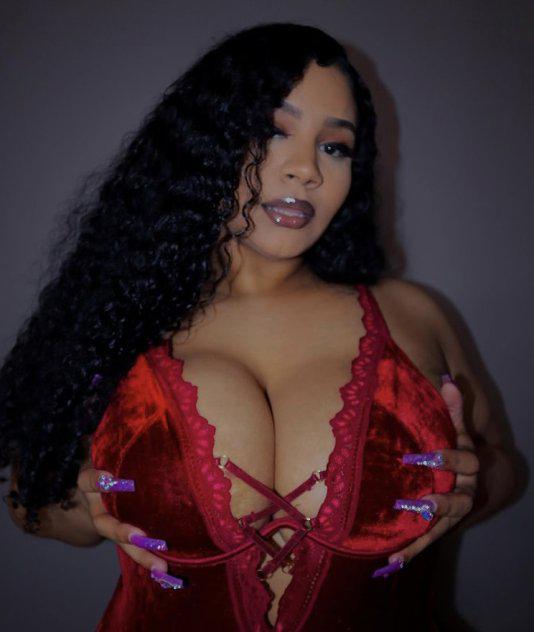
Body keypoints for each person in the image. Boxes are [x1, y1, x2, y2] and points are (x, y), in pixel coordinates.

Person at [1, 22, 513, 631]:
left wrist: (474, 485)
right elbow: (29, 507)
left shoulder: (415, 316)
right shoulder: (117, 316)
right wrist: (81, 507)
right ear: (206, 143)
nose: (306, 170)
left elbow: (503, 465)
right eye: (273, 131)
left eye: (335, 147)